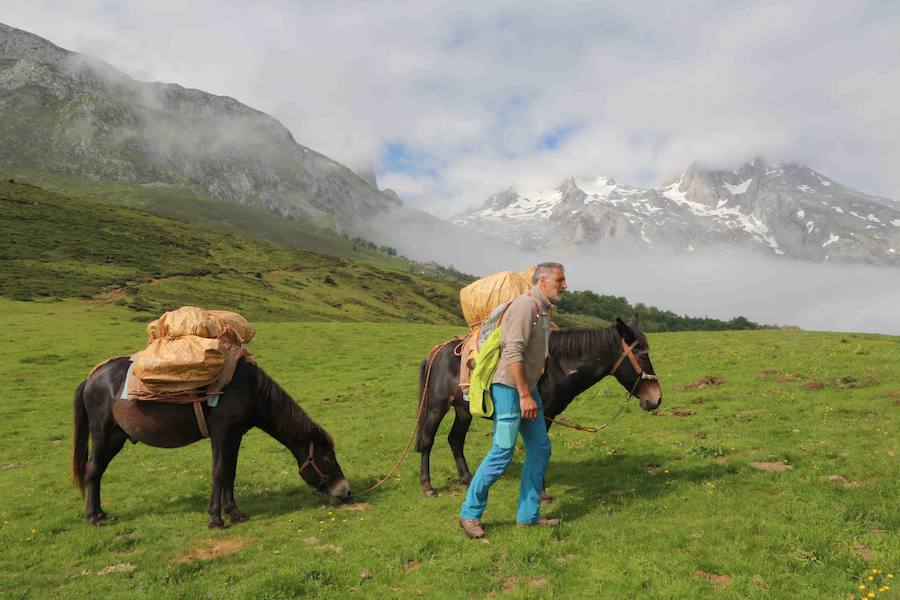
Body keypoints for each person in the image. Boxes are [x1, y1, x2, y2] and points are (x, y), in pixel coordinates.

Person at [459, 262, 568, 539]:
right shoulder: (525, 307)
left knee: (540, 448)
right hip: (509, 389)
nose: (564, 285)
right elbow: (513, 352)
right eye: (560, 280)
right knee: (502, 451)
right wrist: (523, 394)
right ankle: (470, 514)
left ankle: (528, 516)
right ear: (542, 280)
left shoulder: (543, 310)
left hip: (526, 389)